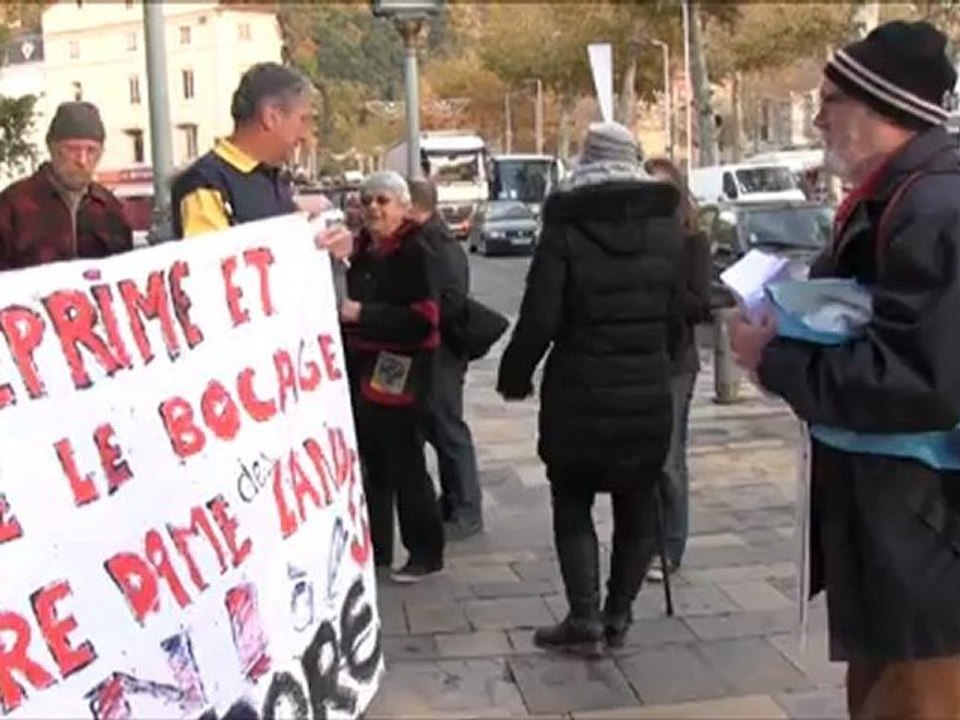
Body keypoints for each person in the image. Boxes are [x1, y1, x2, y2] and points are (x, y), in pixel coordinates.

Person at [731, 21, 960, 719]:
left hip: (923, 526)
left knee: (918, 695)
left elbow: (923, 380)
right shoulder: (902, 196)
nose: (820, 115)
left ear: (879, 107)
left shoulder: (934, 207)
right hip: (894, 519)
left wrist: (773, 357)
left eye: (831, 100)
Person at [497, 122, 685, 653]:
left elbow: (540, 315)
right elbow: (677, 314)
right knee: (637, 500)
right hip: (646, 384)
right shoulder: (666, 226)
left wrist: (516, 376)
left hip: (579, 386)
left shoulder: (566, 227)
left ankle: (583, 616)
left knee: (572, 495)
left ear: (585, 160)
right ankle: (619, 613)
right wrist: (663, 359)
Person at [343, 171, 445, 583]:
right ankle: (377, 548)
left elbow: (425, 318)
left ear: (403, 205)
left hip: (402, 363)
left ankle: (425, 551)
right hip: (365, 362)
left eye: (383, 200)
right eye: (366, 200)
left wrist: (364, 315)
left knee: (405, 458)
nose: (373, 208)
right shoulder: (363, 249)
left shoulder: (418, 249)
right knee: (373, 462)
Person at [171, 62, 351, 258]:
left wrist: (327, 244)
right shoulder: (205, 185)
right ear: (271, 116)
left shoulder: (272, 178)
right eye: (302, 120)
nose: (305, 135)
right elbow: (210, 268)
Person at [643, 157, 712, 581]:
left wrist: (662, 284)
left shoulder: (692, 242)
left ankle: (670, 545)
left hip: (676, 360)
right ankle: (644, 541)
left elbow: (699, 303)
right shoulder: (636, 240)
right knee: (644, 458)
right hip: (640, 359)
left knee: (669, 458)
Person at [408, 178, 483, 540]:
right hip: (435, 352)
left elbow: (447, 303)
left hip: (440, 353)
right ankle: (454, 502)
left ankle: (466, 509)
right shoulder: (430, 241)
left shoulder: (435, 245)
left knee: (448, 429)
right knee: (438, 427)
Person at [0, 101, 132, 269]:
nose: (82, 161)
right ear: (52, 148)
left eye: (91, 151)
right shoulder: (13, 206)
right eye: (72, 149)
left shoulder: (111, 210)